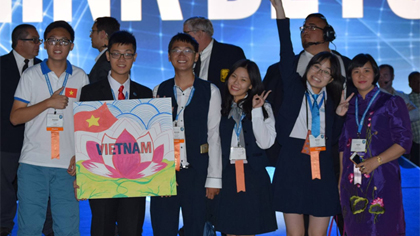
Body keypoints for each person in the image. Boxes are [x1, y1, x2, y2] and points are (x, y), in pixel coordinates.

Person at [270, 1, 352, 235]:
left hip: (323, 161)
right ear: (307, 69)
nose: (320, 74)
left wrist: (338, 116)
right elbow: (285, 48)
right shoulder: (294, 87)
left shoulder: (334, 100)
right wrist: (280, 12)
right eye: (317, 68)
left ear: (331, 78)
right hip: (292, 158)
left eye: (327, 72)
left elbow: (334, 138)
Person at [9, 21, 89, 235]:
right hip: (33, 163)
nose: (57, 45)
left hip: (68, 165)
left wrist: (80, 155)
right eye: (52, 40)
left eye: (64, 41)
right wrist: (47, 103)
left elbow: (87, 123)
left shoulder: (81, 77)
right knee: (30, 227)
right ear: (44, 44)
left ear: (71, 46)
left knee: (68, 227)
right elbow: (15, 117)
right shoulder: (31, 75)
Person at [80, 30, 151, 236]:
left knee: (132, 230)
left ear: (135, 57)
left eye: (127, 54)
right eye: (116, 53)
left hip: (135, 179)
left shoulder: (146, 94)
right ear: (108, 56)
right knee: (102, 228)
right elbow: (84, 136)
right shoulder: (89, 92)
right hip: (101, 176)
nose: (122, 59)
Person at [150, 33, 222, 236]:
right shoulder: (159, 90)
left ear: (197, 56)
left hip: (198, 175)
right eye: (176, 50)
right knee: (163, 229)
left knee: (196, 229)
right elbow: (155, 138)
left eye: (188, 50)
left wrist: (214, 179)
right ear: (168, 56)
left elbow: (214, 137)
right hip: (166, 175)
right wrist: (158, 177)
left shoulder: (211, 91)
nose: (182, 55)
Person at [339, 54, 412, 236]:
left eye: (366, 70)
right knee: (355, 226)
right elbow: (342, 146)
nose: (361, 75)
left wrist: (376, 161)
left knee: (383, 225)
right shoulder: (347, 105)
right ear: (350, 76)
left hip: (382, 175)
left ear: (375, 74)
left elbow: (404, 141)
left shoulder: (391, 102)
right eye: (356, 71)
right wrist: (340, 180)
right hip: (351, 177)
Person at [216, 59, 277, 236]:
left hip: (253, 176)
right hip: (227, 174)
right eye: (233, 77)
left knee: (249, 230)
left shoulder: (264, 107)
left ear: (251, 85)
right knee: (228, 230)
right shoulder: (219, 107)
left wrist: (256, 111)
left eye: (243, 79)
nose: (236, 82)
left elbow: (266, 143)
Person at [183, 16, 245, 93]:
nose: (183, 38)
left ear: (199, 33)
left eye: (186, 33)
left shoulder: (231, 53)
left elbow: (243, 84)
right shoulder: (185, 55)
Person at [88, 17, 120, 84]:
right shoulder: (109, 58)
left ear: (102, 34)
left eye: (93, 31)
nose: (90, 35)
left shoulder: (107, 62)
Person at [408, 71, 420, 166]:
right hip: (417, 145)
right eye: (415, 81)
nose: (418, 84)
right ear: (410, 84)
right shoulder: (406, 99)